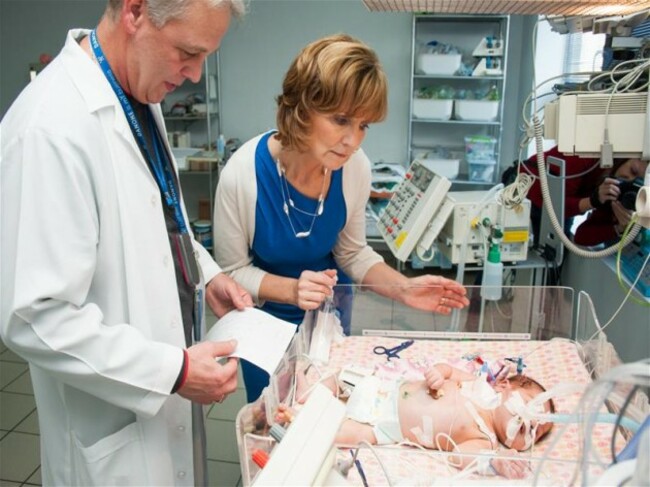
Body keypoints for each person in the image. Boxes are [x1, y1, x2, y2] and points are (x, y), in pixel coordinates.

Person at [0, 0, 252, 485]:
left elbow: (153, 217)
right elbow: (33, 316)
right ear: (135, 11)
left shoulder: (137, 97)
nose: (196, 75)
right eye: (187, 52)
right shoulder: (49, 130)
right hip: (112, 441)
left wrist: (207, 274)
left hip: (166, 419)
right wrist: (172, 370)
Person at [213, 33, 470, 402]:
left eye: (364, 125)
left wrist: (405, 288)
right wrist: (291, 289)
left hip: (329, 319)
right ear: (301, 108)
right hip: (263, 323)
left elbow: (353, 253)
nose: (353, 140)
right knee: (274, 424)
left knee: (328, 414)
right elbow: (232, 272)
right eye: (341, 120)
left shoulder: (353, 169)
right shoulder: (243, 175)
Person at [277, 361, 554, 480]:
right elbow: (447, 371)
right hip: (386, 390)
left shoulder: (485, 439)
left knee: (343, 435)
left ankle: (298, 420)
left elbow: (459, 456)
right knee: (344, 377)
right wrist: (437, 374)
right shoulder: (475, 383)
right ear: (505, 385)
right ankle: (309, 392)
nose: (530, 425)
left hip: (387, 427)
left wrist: (495, 461)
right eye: (532, 409)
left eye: (535, 434)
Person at [574, 158, 648, 246]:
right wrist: (618, 228)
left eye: (640, 185)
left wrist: (626, 227)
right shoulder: (613, 192)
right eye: (632, 171)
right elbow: (581, 237)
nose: (629, 181)